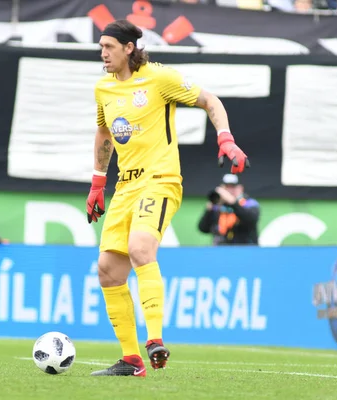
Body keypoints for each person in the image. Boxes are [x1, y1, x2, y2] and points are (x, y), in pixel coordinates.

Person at [85, 19, 249, 377]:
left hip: (160, 180)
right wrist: (98, 184)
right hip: (124, 188)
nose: (103, 54)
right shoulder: (103, 89)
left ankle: (155, 340)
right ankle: (130, 360)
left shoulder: (160, 78)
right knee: (108, 271)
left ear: (129, 48)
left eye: (108, 47)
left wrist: (226, 138)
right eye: (100, 47)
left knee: (141, 249)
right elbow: (104, 133)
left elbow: (210, 100)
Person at [198, 174, 260, 245]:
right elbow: (203, 228)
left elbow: (250, 219)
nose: (229, 190)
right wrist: (209, 210)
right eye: (226, 187)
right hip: (221, 250)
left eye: (232, 187)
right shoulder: (218, 206)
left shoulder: (249, 203)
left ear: (240, 188)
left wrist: (232, 202)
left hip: (245, 249)